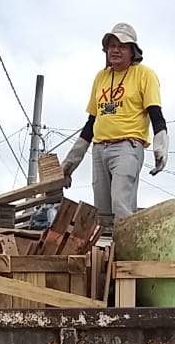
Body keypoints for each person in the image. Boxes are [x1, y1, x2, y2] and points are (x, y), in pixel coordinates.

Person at [61, 22, 169, 225]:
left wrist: (161, 147)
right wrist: (69, 164)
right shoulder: (101, 77)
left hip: (127, 147)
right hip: (99, 149)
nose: (115, 50)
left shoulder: (144, 75)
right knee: (102, 214)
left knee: (121, 205)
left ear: (133, 51)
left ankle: (125, 245)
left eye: (122, 46)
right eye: (112, 45)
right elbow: (91, 123)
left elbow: (156, 115)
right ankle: (105, 246)